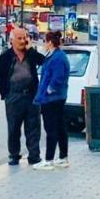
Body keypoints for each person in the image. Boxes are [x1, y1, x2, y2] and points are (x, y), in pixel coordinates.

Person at [0, 27, 43, 166]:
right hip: (14, 96)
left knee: (33, 127)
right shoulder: (5, 57)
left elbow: (43, 61)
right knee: (14, 127)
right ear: (11, 40)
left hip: (31, 95)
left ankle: (34, 156)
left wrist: (30, 49)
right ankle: (14, 154)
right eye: (20, 38)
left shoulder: (30, 54)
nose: (23, 41)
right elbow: (0, 79)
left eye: (25, 38)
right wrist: (6, 94)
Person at [32, 30, 70, 169]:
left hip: (52, 99)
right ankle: (63, 157)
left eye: (45, 41)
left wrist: (49, 89)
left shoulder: (57, 58)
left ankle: (49, 160)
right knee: (60, 127)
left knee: (51, 128)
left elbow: (57, 78)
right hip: (56, 98)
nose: (43, 44)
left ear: (50, 42)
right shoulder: (56, 56)